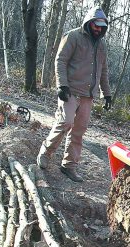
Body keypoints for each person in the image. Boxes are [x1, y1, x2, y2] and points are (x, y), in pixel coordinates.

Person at [36, 7, 112, 183]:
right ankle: (45, 152)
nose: (98, 29)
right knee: (65, 122)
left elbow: (103, 71)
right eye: (96, 25)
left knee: (79, 130)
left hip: (88, 95)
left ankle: (69, 165)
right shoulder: (73, 36)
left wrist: (106, 93)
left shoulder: (102, 45)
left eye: (102, 26)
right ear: (89, 22)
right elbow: (60, 60)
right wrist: (61, 85)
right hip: (70, 90)